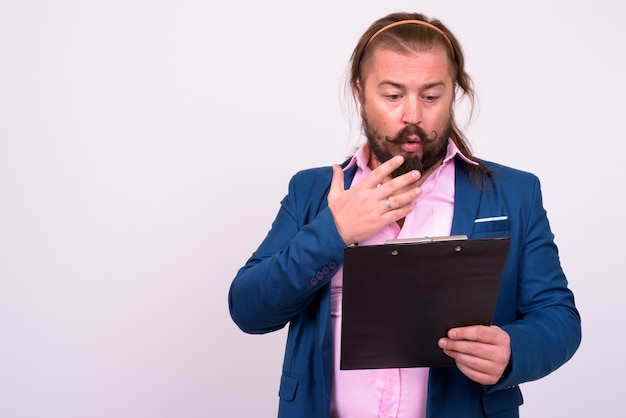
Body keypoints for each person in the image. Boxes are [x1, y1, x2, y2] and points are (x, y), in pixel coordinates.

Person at [228, 11, 581, 418]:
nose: (412, 114)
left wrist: (513, 350)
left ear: (454, 94)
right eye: (393, 96)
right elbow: (249, 309)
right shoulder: (311, 192)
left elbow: (559, 317)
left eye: (431, 96)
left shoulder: (515, 193)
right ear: (361, 93)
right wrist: (335, 231)